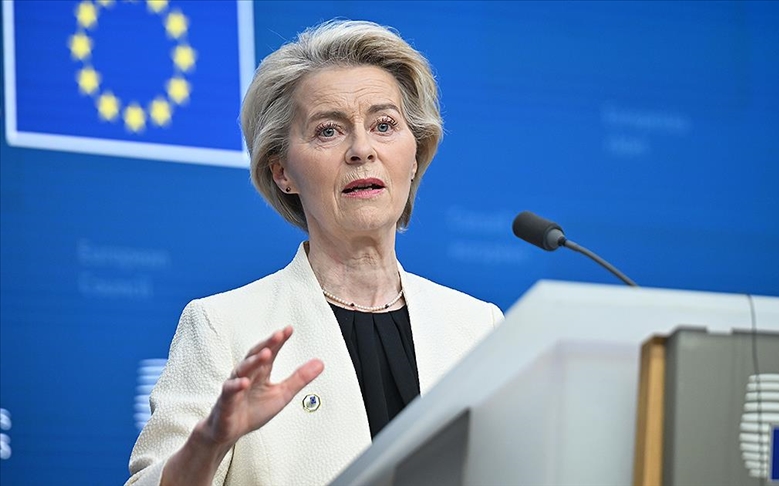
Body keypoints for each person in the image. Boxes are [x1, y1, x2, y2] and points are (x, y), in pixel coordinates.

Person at [125, 20, 503, 486]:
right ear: (282, 171)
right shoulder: (223, 326)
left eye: (384, 125)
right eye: (328, 131)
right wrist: (209, 445)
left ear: (415, 154)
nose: (362, 149)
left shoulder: (477, 327)